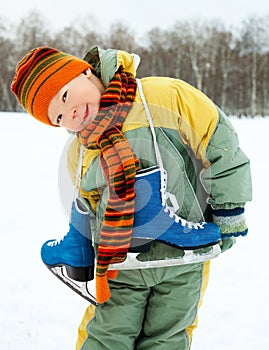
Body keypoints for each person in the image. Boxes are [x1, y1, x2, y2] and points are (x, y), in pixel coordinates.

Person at [10, 46, 252, 350]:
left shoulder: (166, 97)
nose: (68, 113)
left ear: (85, 72)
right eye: (57, 117)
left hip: (184, 260)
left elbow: (219, 143)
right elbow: (87, 205)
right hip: (121, 265)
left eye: (65, 96)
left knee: (168, 337)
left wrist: (228, 210)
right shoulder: (81, 152)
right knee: (107, 335)